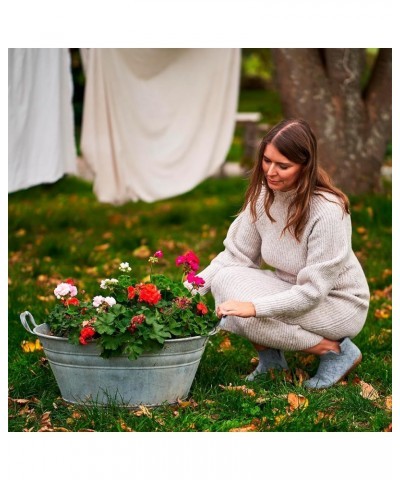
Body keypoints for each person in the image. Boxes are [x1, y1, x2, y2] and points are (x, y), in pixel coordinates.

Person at [194, 118, 370, 389]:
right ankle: (272, 364)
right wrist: (187, 293)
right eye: (266, 161)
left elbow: (312, 292)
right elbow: (234, 256)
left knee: (248, 316)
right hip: (291, 289)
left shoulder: (328, 211)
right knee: (224, 281)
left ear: (305, 166)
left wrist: (254, 307)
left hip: (336, 304)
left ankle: (335, 351)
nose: (270, 172)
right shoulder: (264, 195)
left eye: (283, 166)